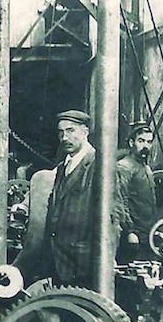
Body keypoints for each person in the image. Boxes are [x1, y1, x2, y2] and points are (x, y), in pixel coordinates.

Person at [38, 110, 110, 287]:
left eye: (70, 131)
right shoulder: (63, 166)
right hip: (58, 261)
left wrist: (106, 261)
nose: (64, 137)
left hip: (83, 263)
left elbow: (112, 218)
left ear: (85, 132)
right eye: (61, 132)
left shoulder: (99, 165)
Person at [117, 121, 156, 262]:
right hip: (133, 238)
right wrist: (130, 231)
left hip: (148, 234)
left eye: (149, 142)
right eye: (141, 141)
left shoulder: (146, 168)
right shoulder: (124, 167)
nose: (146, 146)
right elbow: (121, 202)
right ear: (132, 142)